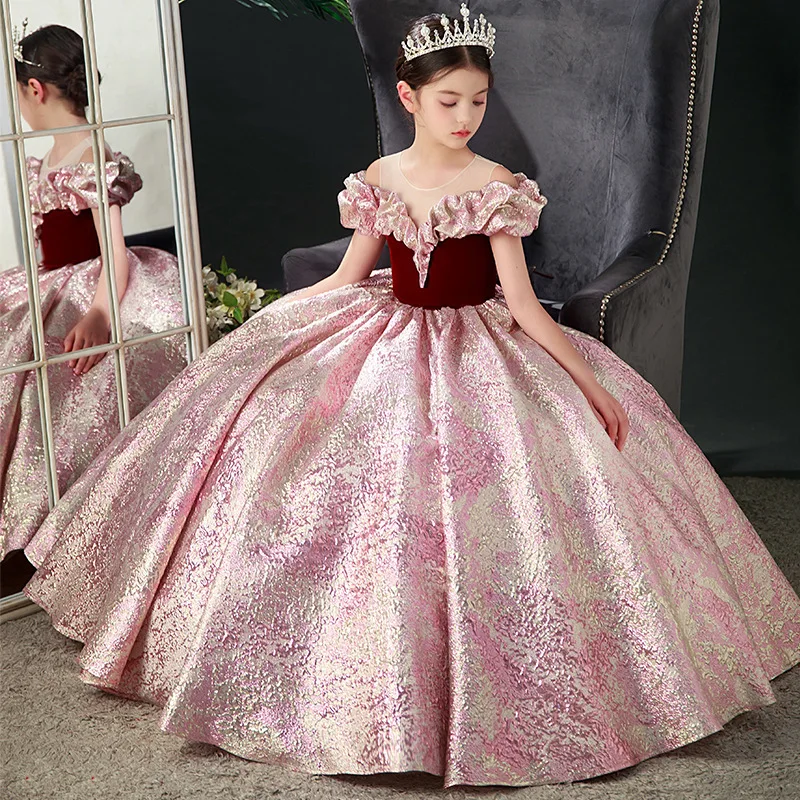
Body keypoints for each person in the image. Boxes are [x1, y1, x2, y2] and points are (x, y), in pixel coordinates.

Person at [21, 5, 800, 789]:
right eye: (449, 100)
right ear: (409, 97)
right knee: (304, 451)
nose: (466, 117)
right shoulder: (381, 178)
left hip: (479, 343)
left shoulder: (496, 186)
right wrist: (275, 320)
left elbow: (523, 305)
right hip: (384, 333)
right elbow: (346, 275)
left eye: (478, 100)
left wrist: (588, 381)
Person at [0, 24, 187, 558]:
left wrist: (101, 312)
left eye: (18, 96)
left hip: (91, 280)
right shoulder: (46, 155)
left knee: (49, 365)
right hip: (49, 278)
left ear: (35, 90)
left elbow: (113, 250)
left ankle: (54, 515)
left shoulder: (90, 152)